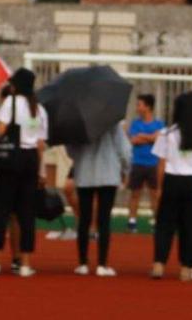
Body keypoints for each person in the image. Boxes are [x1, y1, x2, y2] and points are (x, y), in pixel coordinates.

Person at [0, 68, 48, 277]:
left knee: (2, 209)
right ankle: (25, 263)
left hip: (11, 160)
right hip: (31, 160)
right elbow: (41, 144)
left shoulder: (11, 102)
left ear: (16, 86)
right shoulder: (40, 110)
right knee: (26, 213)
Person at [150, 92, 192, 281]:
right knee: (191, 226)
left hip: (171, 180)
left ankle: (159, 264)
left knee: (164, 225)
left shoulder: (166, 133)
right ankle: (186, 267)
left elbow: (161, 164)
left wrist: (159, 188)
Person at [68, 119, 131, 276]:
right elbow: (124, 149)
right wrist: (126, 169)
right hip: (108, 174)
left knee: (84, 219)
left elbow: (71, 151)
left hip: (85, 173)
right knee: (104, 220)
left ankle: (82, 264)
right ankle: (102, 265)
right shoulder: (112, 123)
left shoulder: (79, 124)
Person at [127, 94, 163, 232]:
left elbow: (160, 138)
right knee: (135, 193)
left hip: (154, 163)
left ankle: (156, 222)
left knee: (155, 194)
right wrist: (151, 137)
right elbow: (133, 140)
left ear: (147, 107)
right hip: (137, 163)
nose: (137, 107)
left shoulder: (159, 123)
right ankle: (132, 221)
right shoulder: (135, 123)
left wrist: (144, 136)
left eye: (139, 104)